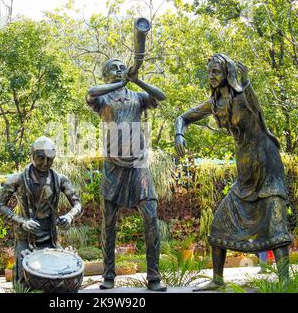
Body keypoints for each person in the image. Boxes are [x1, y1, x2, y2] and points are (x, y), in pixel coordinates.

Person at [174, 53, 292, 290]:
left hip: (267, 164)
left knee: (275, 221)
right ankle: (217, 279)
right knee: (219, 223)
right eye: (209, 72)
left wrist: (246, 81)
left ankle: (285, 283)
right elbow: (183, 117)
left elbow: (255, 105)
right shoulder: (216, 102)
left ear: (228, 73)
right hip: (245, 168)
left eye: (216, 71)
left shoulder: (243, 96)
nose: (211, 76)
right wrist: (179, 132)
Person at [87, 58, 167, 292]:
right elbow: (91, 92)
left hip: (138, 165)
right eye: (113, 68)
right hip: (112, 166)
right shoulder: (102, 98)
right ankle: (108, 275)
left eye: (122, 67)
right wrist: (118, 83)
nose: (120, 70)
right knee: (109, 222)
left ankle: (154, 277)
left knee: (151, 216)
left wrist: (137, 80)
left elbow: (160, 96)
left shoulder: (137, 97)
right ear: (105, 75)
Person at [0, 136, 82, 286]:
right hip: (26, 240)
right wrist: (22, 222)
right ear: (32, 156)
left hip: (51, 239)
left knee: (58, 280)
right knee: (24, 282)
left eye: (50, 159)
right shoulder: (17, 180)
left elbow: (78, 204)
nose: (45, 163)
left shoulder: (60, 179)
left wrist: (69, 216)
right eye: (41, 158)